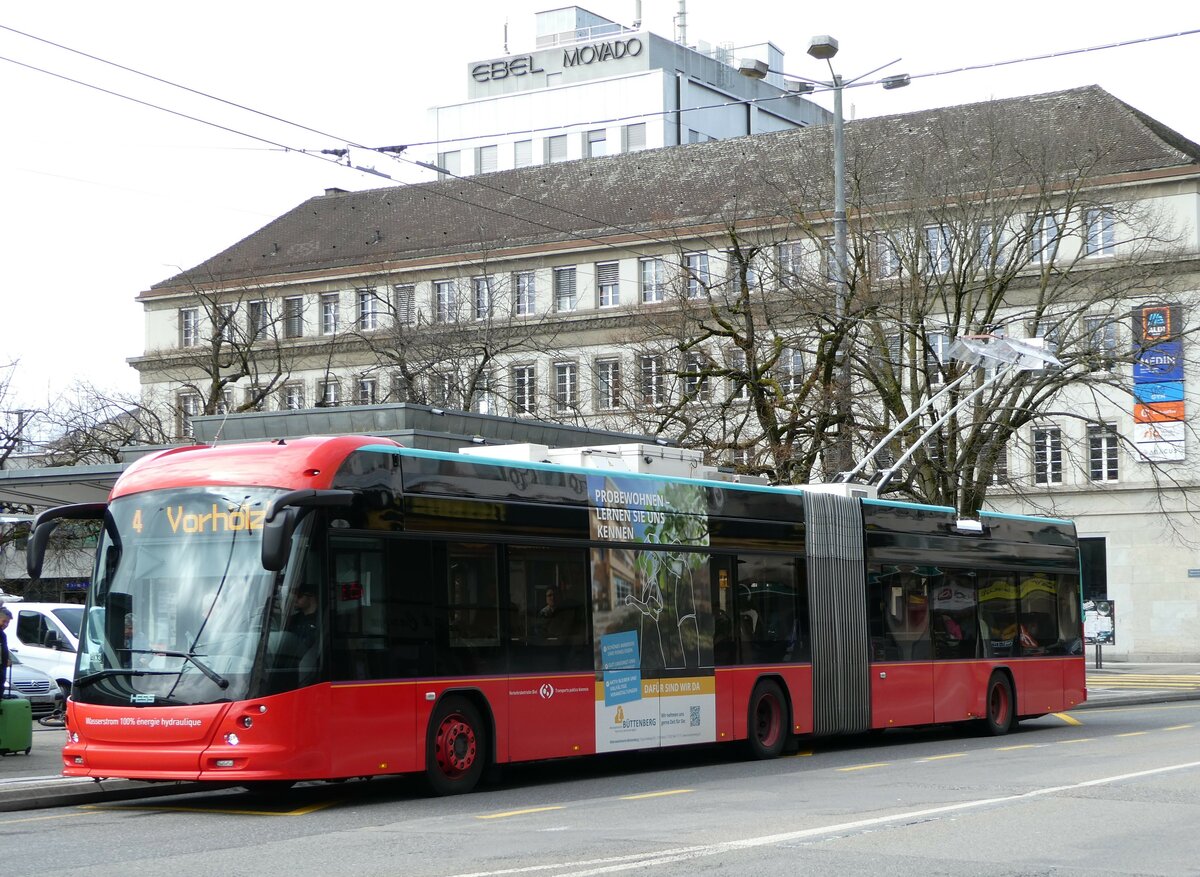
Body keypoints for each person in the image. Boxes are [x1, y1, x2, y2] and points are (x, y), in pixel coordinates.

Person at [0, 607, 11, 689]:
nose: (6, 624)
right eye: (4, 621)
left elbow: (4, 649)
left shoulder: (3, 635)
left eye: (8, 622)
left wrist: (7, 659)